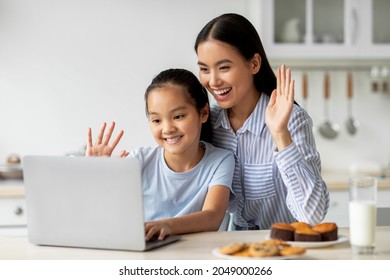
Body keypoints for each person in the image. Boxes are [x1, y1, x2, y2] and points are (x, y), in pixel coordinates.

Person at [194, 13, 329, 230]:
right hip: (232, 252)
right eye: (204, 69)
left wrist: (280, 134)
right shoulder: (208, 121)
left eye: (224, 67)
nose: (213, 80)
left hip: (284, 250)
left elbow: (312, 216)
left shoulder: (292, 119)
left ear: (254, 64)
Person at [86, 68, 235, 240]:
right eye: (156, 120)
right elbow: (105, 211)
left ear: (203, 113)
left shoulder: (221, 160)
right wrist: (95, 174)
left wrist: (166, 225)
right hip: (146, 252)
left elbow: (213, 217)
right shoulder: (139, 159)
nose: (167, 129)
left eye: (178, 116)